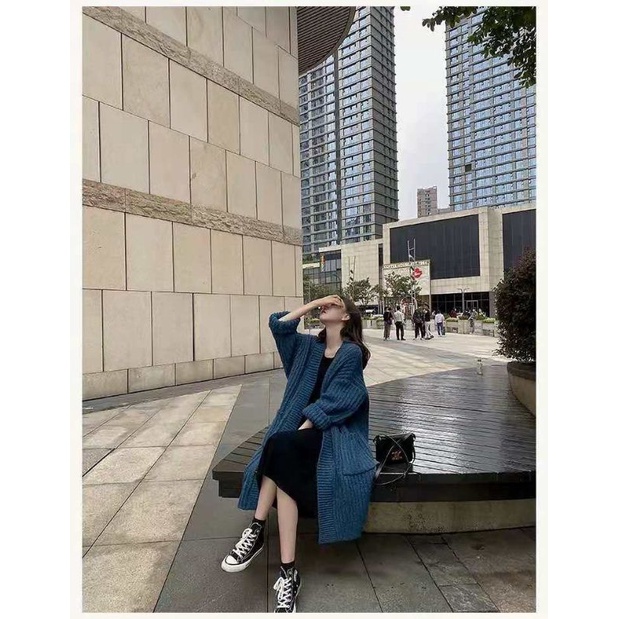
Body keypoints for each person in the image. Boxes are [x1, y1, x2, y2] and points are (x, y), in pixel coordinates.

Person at [221, 295, 374, 613]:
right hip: (301, 432)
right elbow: (279, 325)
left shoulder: (351, 353)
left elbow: (342, 399)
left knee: (280, 445)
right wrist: (314, 302)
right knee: (283, 460)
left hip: (333, 433)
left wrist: (302, 430)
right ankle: (287, 571)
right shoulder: (308, 347)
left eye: (333, 305)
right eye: (323, 305)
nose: (325, 308)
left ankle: (257, 528)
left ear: (346, 317)